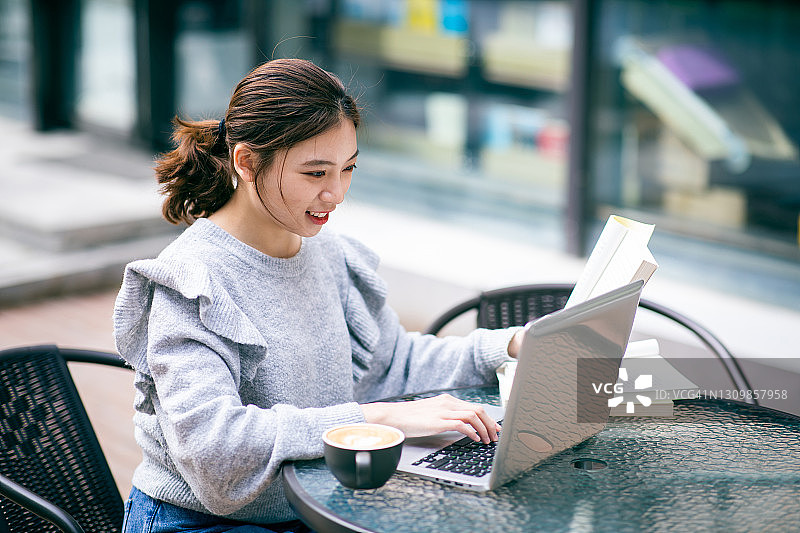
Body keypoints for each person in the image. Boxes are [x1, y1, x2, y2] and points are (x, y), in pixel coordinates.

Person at [114, 58, 523, 533]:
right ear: (247, 163)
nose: (337, 193)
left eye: (348, 169)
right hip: (200, 522)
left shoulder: (326, 252)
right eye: (315, 174)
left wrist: (510, 346)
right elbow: (215, 452)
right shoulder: (192, 282)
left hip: (312, 509)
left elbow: (394, 363)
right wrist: (373, 419)